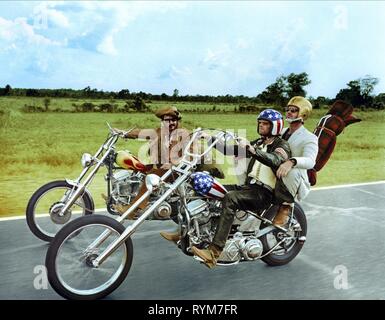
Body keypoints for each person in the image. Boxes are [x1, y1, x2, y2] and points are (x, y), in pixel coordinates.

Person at [190, 109, 291, 268]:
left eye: (265, 124)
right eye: (260, 123)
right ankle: (187, 233)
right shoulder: (259, 143)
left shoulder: (281, 145)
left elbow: (276, 160)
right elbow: (231, 150)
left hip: (264, 194)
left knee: (230, 198)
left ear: (275, 127)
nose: (261, 126)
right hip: (249, 187)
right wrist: (210, 139)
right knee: (209, 189)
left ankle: (214, 252)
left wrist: (251, 149)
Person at [113, 106, 223, 221]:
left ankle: (134, 210)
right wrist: (124, 133)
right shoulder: (160, 132)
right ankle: (121, 198)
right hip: (165, 167)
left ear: (177, 121)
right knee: (139, 168)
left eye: (173, 120)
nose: (171, 123)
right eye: (167, 120)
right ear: (163, 121)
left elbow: (191, 155)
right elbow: (141, 133)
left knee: (151, 176)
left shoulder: (185, 135)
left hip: (180, 171)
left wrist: (173, 164)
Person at [273, 96, 318, 226]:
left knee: (291, 171)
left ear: (302, 114)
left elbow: (310, 161)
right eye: (288, 109)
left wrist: (291, 161)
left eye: (293, 110)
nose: (288, 112)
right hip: (276, 172)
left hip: (295, 178)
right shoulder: (280, 132)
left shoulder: (310, 137)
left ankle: (286, 207)